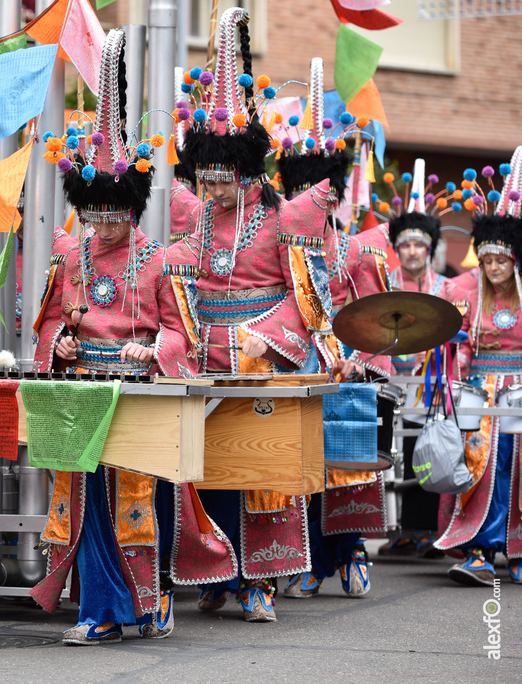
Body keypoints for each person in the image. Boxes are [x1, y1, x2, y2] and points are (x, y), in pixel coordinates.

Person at [30, 28, 236, 646]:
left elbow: (184, 335)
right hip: (82, 395)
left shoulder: (161, 259)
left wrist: (155, 351)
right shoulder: (69, 253)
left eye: (114, 213)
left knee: (140, 504)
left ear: (134, 207)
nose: (103, 224)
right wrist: (56, 347)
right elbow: (45, 322)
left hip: (139, 394)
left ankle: (148, 597)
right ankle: (104, 609)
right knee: (88, 504)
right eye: (93, 213)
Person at [171, 7, 330, 623]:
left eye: (223, 177)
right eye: (205, 177)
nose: (213, 189)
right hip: (202, 349)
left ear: (246, 168)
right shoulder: (191, 213)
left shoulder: (282, 217)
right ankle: (216, 571)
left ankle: (260, 579)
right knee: (206, 467)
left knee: (259, 467)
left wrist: (264, 339)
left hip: (261, 354)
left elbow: (305, 295)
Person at [274, 58, 391, 600]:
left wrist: (360, 359)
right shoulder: (278, 248)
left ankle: (349, 551)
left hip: (343, 367)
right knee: (298, 469)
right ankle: (311, 557)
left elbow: (379, 317)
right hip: (295, 362)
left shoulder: (356, 251)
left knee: (344, 467)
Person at [435, 150, 522, 586]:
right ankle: (482, 550)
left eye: (500, 261)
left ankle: (517, 548)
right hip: (481, 391)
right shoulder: (471, 296)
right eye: (486, 261)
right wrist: (456, 369)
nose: (492, 268)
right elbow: (462, 344)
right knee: (481, 467)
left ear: (515, 260)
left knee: (518, 469)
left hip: (520, 390)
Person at [377, 162, 470, 558]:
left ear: (429, 248)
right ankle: (399, 530)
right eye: (405, 245)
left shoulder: (448, 288)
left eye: (419, 245)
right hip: (390, 379)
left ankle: (428, 529)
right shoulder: (382, 286)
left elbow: (462, 338)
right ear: (396, 249)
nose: (412, 252)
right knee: (388, 452)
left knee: (428, 448)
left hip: (432, 384)